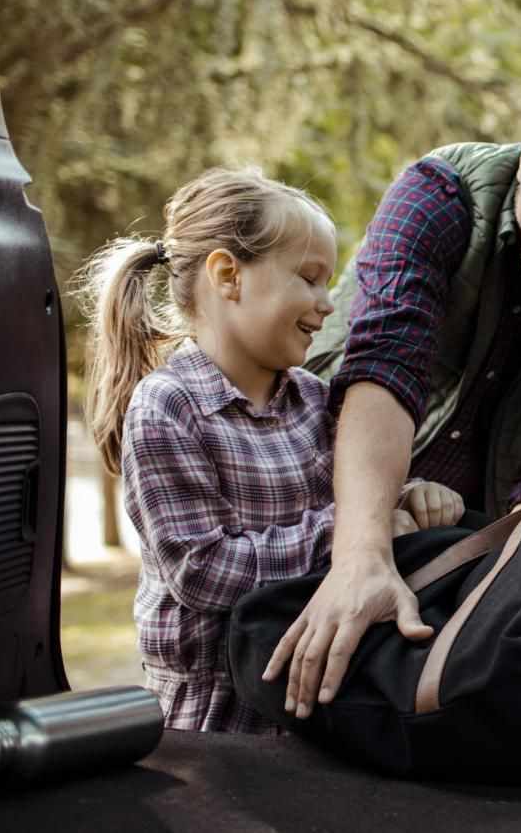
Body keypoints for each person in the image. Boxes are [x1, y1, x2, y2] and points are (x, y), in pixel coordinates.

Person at [263, 68, 521, 720]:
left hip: (457, 544)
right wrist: (360, 557)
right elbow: (383, 366)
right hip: (336, 505)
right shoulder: (436, 196)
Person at [76, 168, 460, 733]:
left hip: (309, 694)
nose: (328, 304)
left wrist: (408, 500)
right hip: (212, 715)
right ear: (229, 275)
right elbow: (201, 570)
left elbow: (354, 496)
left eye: (328, 284)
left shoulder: (315, 400)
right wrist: (358, 531)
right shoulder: (168, 407)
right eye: (308, 278)